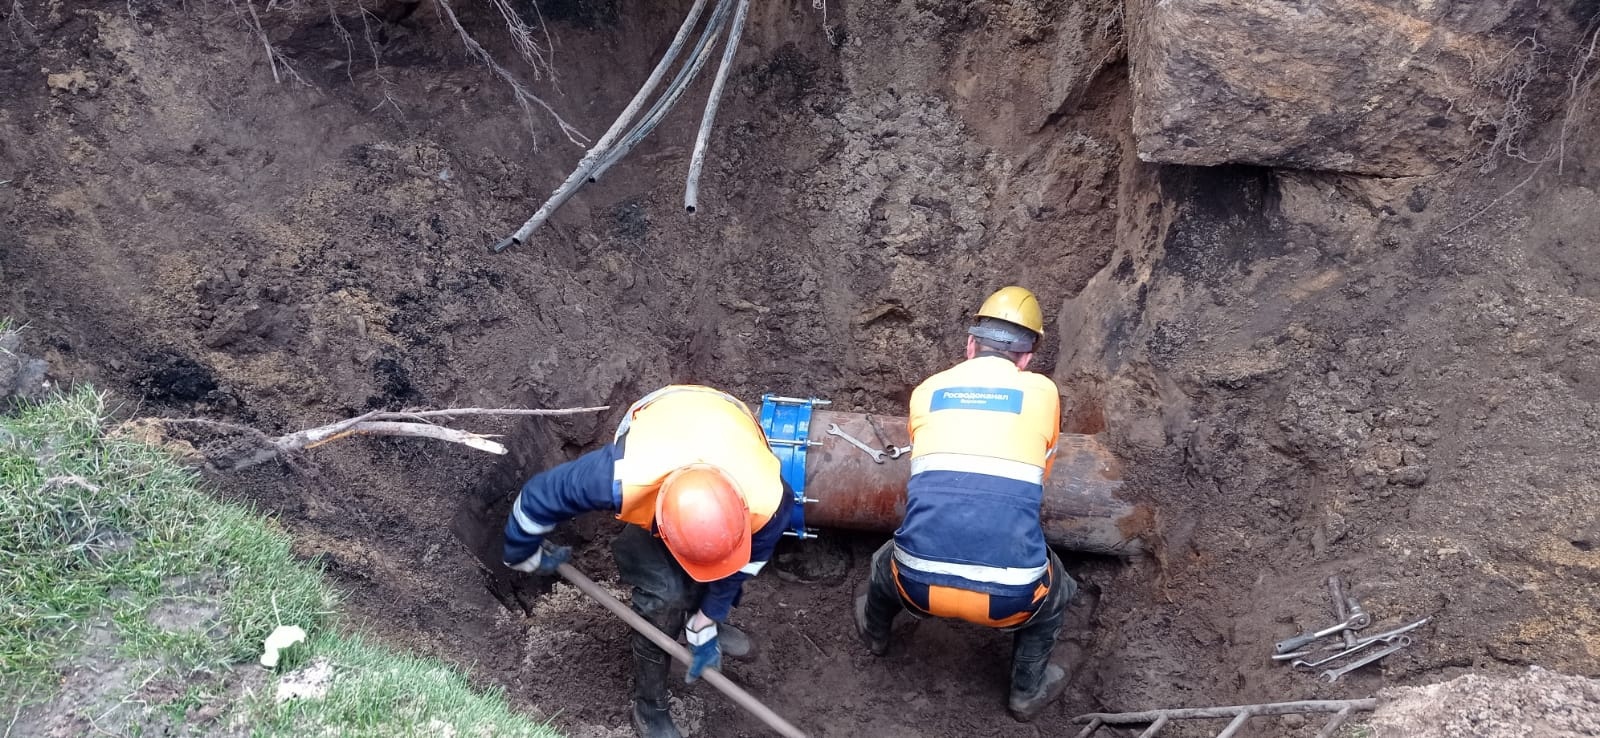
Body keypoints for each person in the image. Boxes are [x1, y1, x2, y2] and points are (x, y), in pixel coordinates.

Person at [503, 384, 794, 738]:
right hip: (659, 419)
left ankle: (697, 623)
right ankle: (649, 706)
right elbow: (538, 497)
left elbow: (739, 568)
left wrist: (708, 617)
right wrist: (521, 549)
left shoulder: (770, 504)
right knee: (665, 595)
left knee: (709, 575)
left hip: (724, 422)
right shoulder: (620, 476)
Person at [854, 286, 1077, 721]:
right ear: (1027, 357)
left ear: (970, 346)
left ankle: (875, 632)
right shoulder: (1043, 392)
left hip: (915, 587)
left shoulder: (928, 389)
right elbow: (1042, 475)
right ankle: (1025, 692)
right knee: (1059, 591)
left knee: (884, 563)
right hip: (1011, 602)